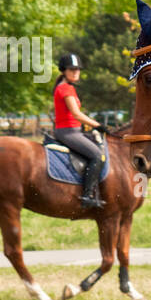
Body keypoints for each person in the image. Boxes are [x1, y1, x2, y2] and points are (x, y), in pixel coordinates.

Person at [52, 54, 107, 209]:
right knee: (96, 155)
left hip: (74, 130)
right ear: (64, 71)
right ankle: (87, 196)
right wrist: (97, 125)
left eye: (78, 69)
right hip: (68, 132)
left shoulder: (69, 87)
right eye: (72, 69)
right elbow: (76, 114)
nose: (76, 72)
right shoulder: (65, 88)